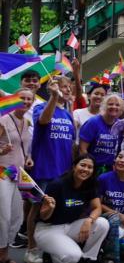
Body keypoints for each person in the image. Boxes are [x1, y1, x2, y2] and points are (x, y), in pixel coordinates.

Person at [28, 77, 76, 263]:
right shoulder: (42, 107)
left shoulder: (68, 114)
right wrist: (54, 97)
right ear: (53, 88)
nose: (67, 89)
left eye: (69, 87)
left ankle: (50, 248)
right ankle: (32, 249)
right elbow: (43, 120)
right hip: (44, 170)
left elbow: (70, 144)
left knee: (56, 210)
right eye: (64, 86)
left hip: (63, 172)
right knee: (37, 209)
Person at [34, 154, 110, 263]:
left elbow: (97, 208)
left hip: (70, 226)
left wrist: (89, 220)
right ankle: (59, 254)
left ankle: (88, 258)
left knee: (102, 223)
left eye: (90, 167)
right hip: (47, 229)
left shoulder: (90, 184)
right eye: (82, 165)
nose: (85, 169)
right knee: (73, 256)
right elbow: (43, 216)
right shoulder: (57, 184)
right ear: (74, 166)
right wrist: (50, 208)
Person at [0, 88, 34, 263]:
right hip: (3, 172)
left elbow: (25, 148)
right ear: (14, 98)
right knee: (3, 216)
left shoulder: (27, 122)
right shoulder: (3, 120)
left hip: (19, 174)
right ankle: (2, 255)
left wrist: (28, 159)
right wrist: (1, 150)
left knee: (16, 216)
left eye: (29, 99)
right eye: (22, 98)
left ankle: (4, 253)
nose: (26, 102)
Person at [97, 144, 124, 263]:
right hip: (106, 219)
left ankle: (105, 248)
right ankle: (111, 257)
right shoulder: (103, 178)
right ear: (115, 160)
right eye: (120, 157)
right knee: (115, 222)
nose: (121, 160)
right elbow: (97, 204)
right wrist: (119, 215)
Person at [78, 94, 124, 174]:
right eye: (110, 104)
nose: (114, 107)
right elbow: (82, 149)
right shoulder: (93, 122)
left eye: (117, 105)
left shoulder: (120, 125)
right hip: (93, 168)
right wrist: (88, 168)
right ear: (104, 106)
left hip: (112, 169)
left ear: (121, 109)